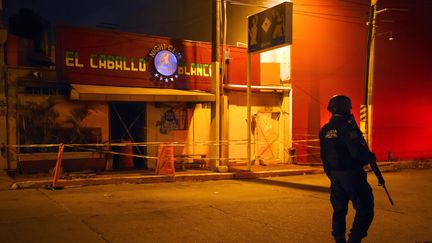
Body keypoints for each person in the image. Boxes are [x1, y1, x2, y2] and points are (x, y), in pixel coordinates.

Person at [319, 95, 382, 243]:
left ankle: (339, 239)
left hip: (335, 176)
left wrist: (332, 175)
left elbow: (324, 156)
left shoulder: (325, 130)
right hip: (352, 175)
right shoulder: (347, 128)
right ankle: (354, 239)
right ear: (346, 108)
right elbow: (357, 152)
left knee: (339, 210)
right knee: (365, 208)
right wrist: (370, 157)